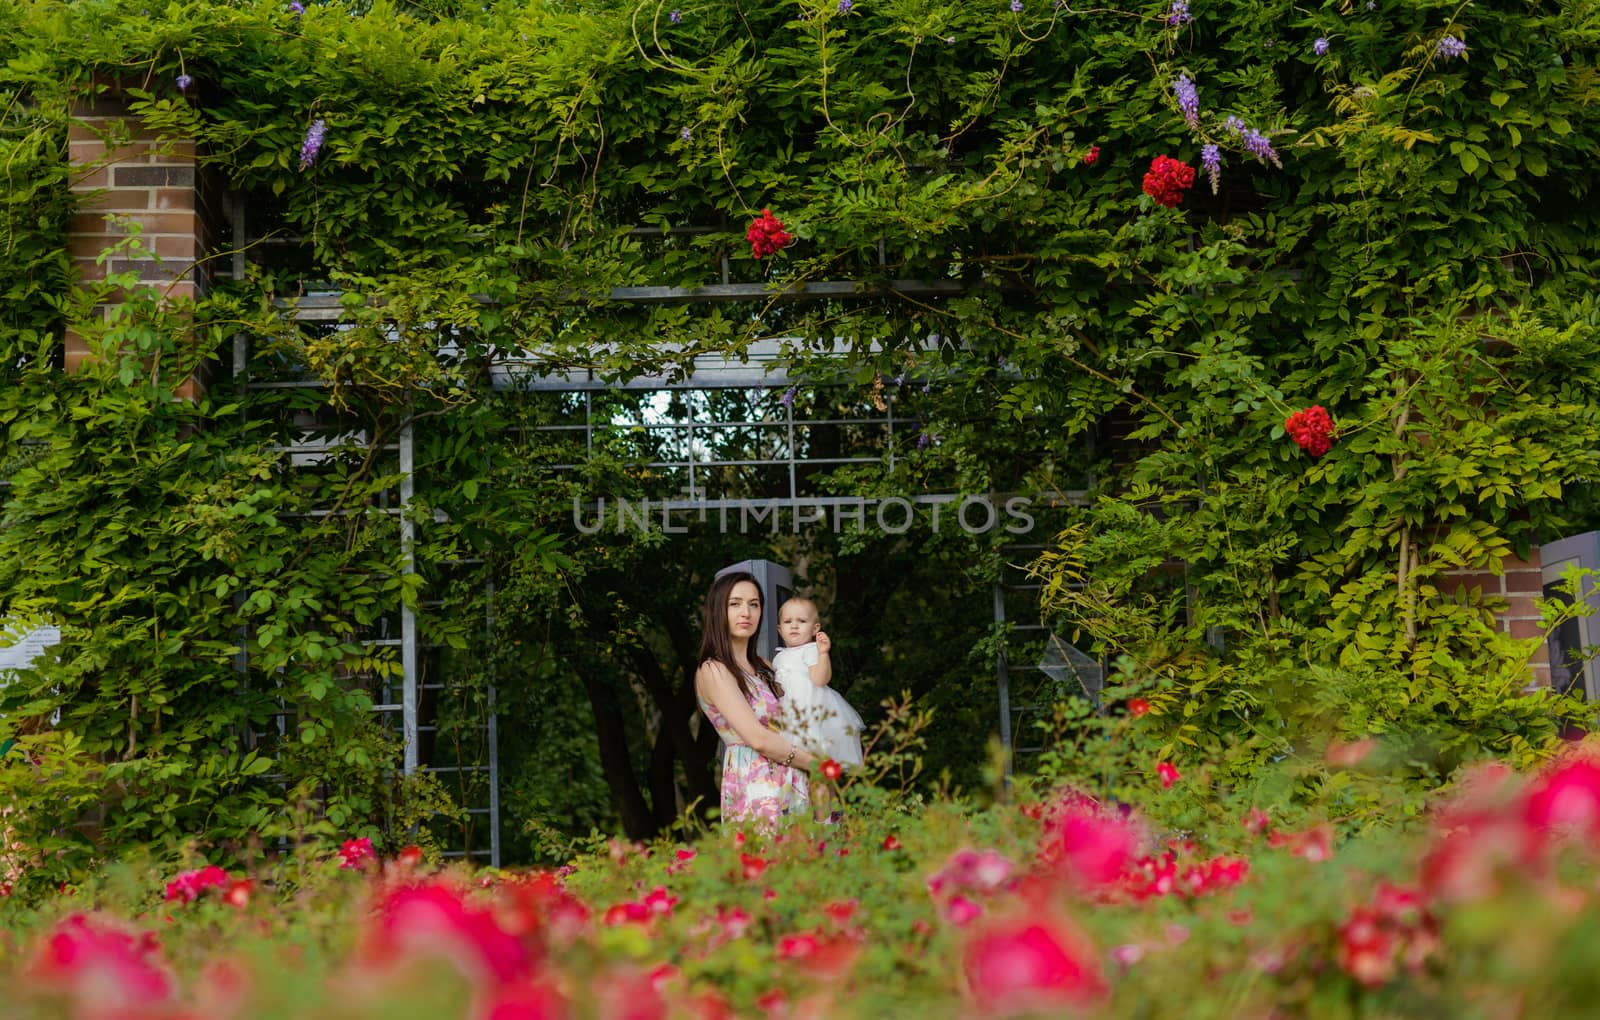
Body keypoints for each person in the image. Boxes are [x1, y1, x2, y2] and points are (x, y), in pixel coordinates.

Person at [694, 571, 816, 826]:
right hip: (757, 787)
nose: (746, 612)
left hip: (797, 780)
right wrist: (820, 766)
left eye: (754, 604)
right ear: (718, 611)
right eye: (735, 603)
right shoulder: (714, 669)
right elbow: (758, 739)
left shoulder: (765, 667)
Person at [773, 597, 864, 769]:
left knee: (818, 759)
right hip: (789, 712)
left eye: (801, 621)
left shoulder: (811, 649)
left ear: (815, 629)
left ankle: (824, 790)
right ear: (780, 629)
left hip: (811, 710)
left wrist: (823, 654)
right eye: (787, 621)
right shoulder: (779, 657)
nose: (794, 625)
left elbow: (820, 679)